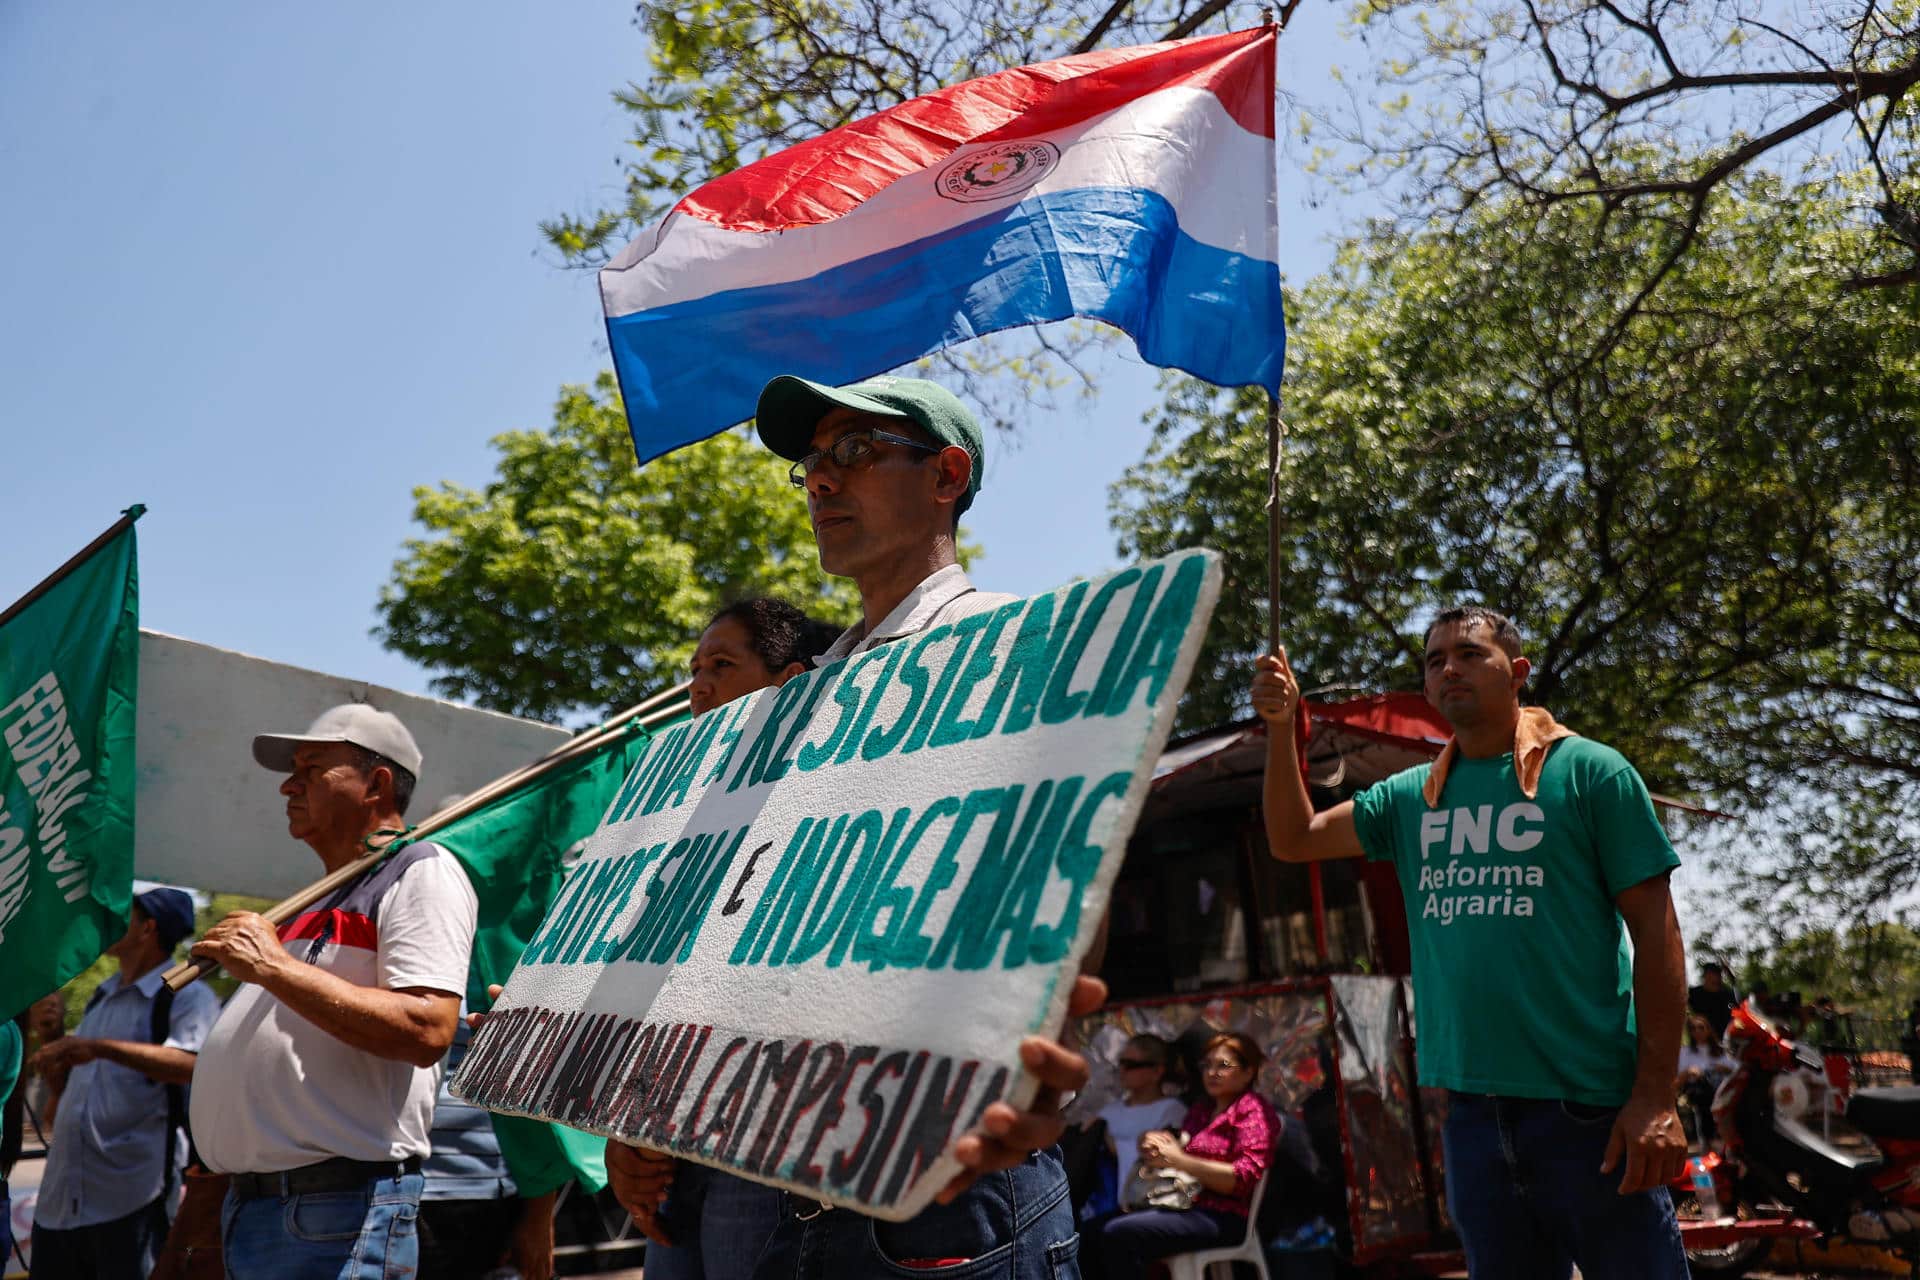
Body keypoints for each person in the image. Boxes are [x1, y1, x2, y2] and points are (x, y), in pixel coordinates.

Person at [605, 373, 1104, 1279]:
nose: (821, 481)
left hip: (938, 1178)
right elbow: (728, 923)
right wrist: (646, 1108)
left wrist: (1031, 1057)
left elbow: (1072, 886)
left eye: (852, 452)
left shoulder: (1020, 650)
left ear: (946, 474)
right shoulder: (793, 704)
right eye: (809, 465)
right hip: (758, 1183)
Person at [1254, 606, 1690, 1279]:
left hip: (1590, 1113)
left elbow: (1659, 940)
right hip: (1471, 1119)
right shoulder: (1408, 798)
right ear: (1427, 691)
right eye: (1434, 662)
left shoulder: (1591, 774)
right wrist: (1281, 729)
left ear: (1517, 673)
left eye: (1468, 654)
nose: (1449, 668)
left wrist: (1656, 1097)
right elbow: (1293, 839)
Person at [187, 704, 476, 1280]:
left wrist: (270, 966)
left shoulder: (421, 869)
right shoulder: (315, 899)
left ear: (377, 783)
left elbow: (427, 1028)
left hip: (338, 1210)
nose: (288, 786)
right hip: (265, 1208)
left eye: (313, 768)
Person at [644, 598, 834, 1280]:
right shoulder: (678, 825)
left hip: (766, 1152)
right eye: (695, 667)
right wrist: (624, 1132)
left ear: (788, 683)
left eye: (722, 665)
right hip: (668, 1145)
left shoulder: (834, 810)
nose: (698, 685)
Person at [29, 888, 221, 1280]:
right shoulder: (102, 997)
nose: (108, 925)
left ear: (148, 928)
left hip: (131, 1198)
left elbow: (193, 1065)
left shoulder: (187, 996)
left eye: (123, 916)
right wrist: (53, 1040)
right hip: (60, 1203)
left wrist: (96, 1047)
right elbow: (68, 1095)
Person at [1098, 1032, 1277, 1280]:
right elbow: (1177, 1150)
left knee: (1118, 1234)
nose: (1212, 1072)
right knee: (1091, 1232)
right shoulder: (1202, 1110)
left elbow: (1240, 1180)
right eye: (1207, 1065)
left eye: (1223, 1066)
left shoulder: (1253, 1111)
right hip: (1183, 1205)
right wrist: (1151, 1143)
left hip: (1224, 1216)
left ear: (1248, 1072)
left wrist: (1179, 1160)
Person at [1675, 1014, 1736, 1145]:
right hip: (1700, 1092)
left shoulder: (1721, 1050)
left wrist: (1724, 1069)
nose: (1697, 1032)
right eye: (1693, 1029)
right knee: (1703, 1100)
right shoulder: (1685, 1053)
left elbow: (1736, 1070)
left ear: (1708, 1029)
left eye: (1701, 1028)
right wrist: (1689, 1072)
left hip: (1722, 1090)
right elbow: (1677, 1081)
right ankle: (1707, 1143)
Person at [1687, 963, 1738, 1039]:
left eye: (1716, 974)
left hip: (1724, 1040)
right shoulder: (1693, 993)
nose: (1713, 977)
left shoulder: (1727, 995)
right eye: (1709, 974)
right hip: (1701, 1040)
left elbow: (1737, 1014)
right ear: (1705, 975)